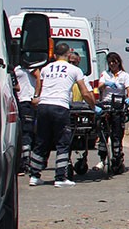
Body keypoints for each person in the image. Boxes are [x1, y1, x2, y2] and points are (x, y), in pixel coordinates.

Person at [29, 42, 95, 187]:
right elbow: (84, 92)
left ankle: (34, 175)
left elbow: (38, 90)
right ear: (69, 54)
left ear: (54, 55)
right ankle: (60, 178)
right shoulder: (74, 70)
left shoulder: (45, 69)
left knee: (41, 141)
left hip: (43, 105)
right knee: (62, 142)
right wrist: (93, 105)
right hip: (60, 107)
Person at [96, 52, 129, 174]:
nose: (112, 64)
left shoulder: (125, 75)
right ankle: (102, 158)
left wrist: (128, 99)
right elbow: (99, 86)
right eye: (110, 62)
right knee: (103, 134)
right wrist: (106, 84)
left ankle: (117, 159)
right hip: (106, 105)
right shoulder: (105, 74)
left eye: (114, 62)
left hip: (118, 107)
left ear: (119, 62)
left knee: (117, 135)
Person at [14, 62, 37, 172]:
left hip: (26, 100)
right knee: (22, 131)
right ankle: (23, 160)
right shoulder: (15, 67)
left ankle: (25, 162)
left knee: (26, 131)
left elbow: (39, 77)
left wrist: (36, 96)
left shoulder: (28, 65)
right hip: (18, 101)